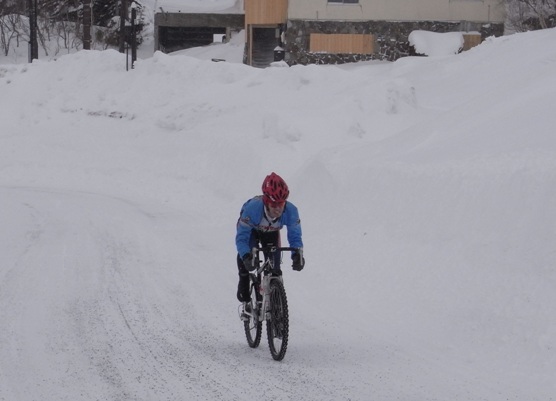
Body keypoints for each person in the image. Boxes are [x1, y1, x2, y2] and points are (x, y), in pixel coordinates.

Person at [235, 172, 305, 307]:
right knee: (247, 260)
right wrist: (246, 256)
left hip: (271, 233)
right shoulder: (252, 209)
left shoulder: (291, 211)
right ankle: (243, 282)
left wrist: (297, 254)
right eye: (274, 205)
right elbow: (242, 238)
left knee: (275, 270)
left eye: (281, 204)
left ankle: (275, 306)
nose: (278, 209)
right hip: (252, 232)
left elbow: (295, 237)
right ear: (266, 202)